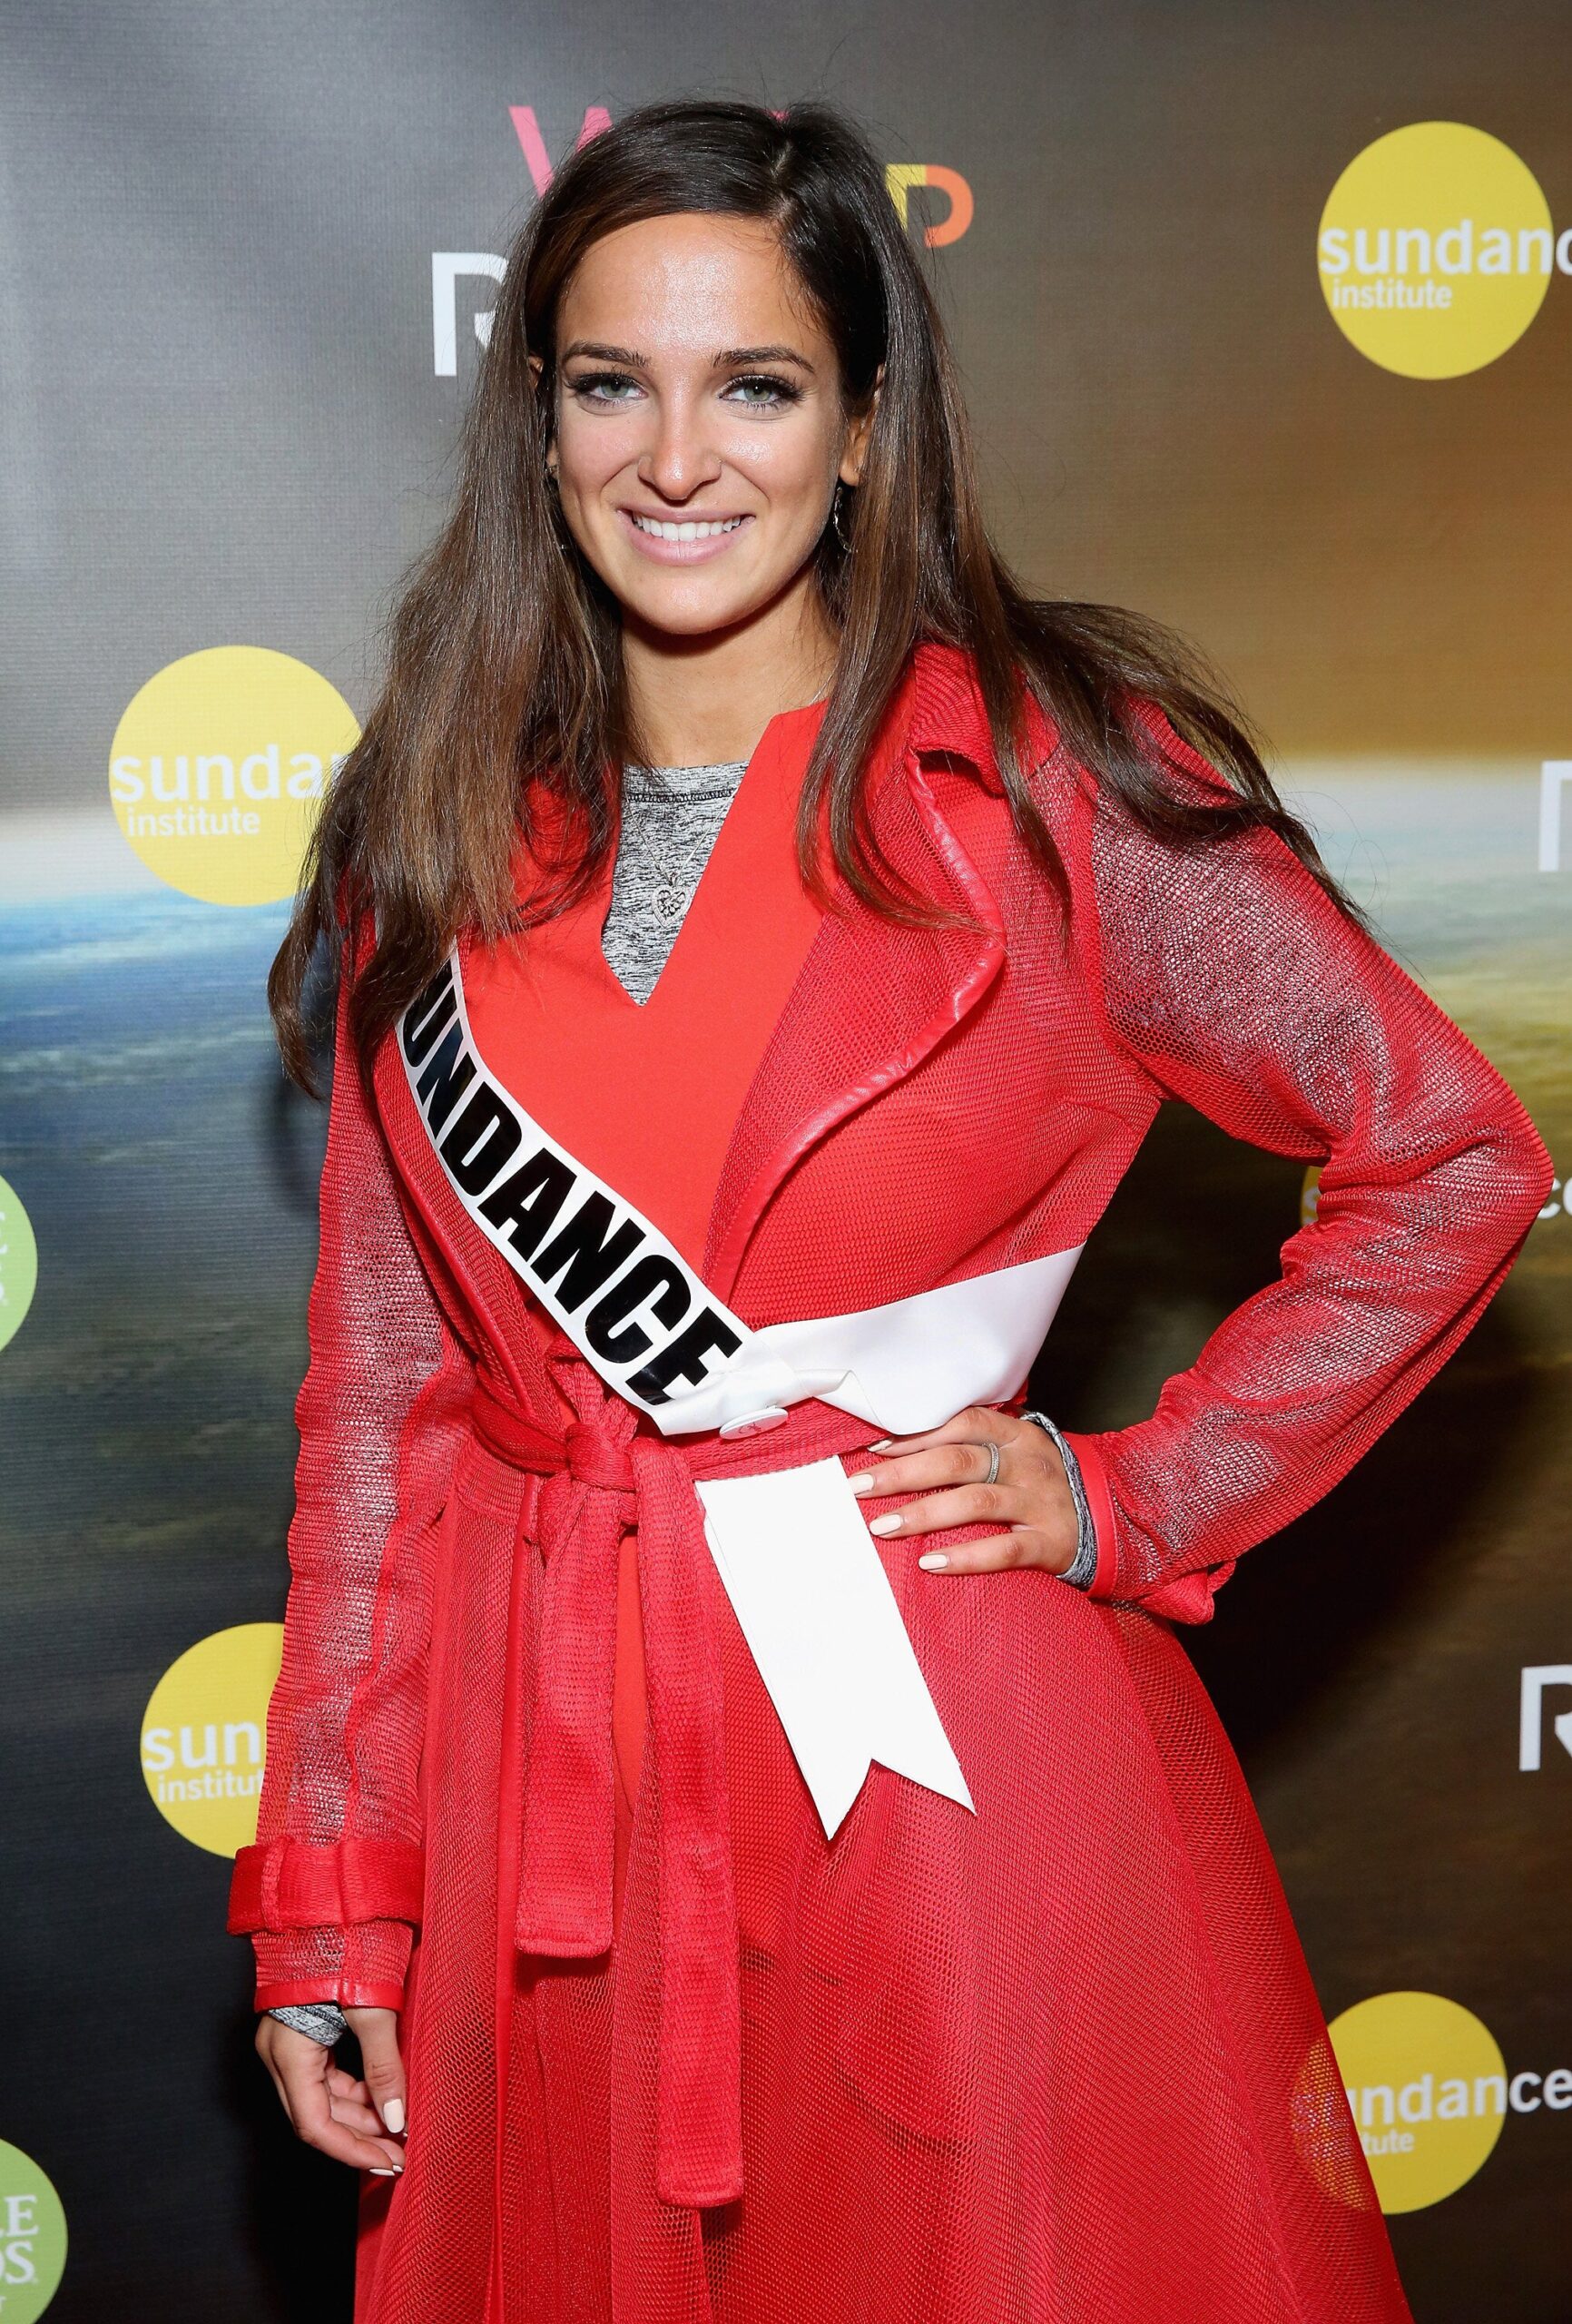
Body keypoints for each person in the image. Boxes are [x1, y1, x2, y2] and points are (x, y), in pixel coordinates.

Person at [231, 95, 1549, 2324]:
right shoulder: (432, 823)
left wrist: (1138, 1490)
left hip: (926, 1772)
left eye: (753, 385)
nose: (676, 457)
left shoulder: (1038, 785)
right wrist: (335, 1896)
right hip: (544, 1798)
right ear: (536, 419)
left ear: (858, 428)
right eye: (609, 383)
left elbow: (1444, 1152)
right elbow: (383, 1402)